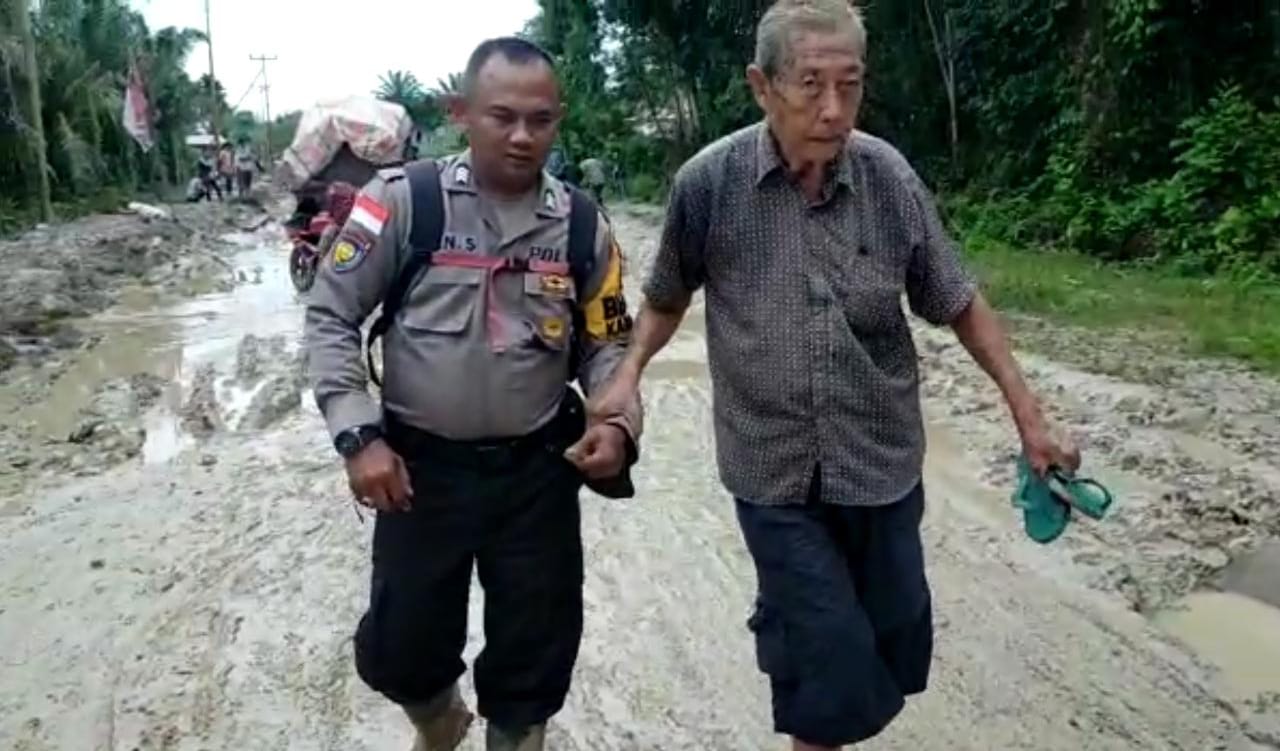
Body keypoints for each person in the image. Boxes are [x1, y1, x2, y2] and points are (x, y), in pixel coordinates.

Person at [589, 1, 1080, 749]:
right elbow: (666, 296)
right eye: (810, 84)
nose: (832, 108)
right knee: (830, 663)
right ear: (761, 86)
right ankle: (807, 672)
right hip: (772, 468)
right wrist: (628, 375)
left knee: (895, 641)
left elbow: (957, 300)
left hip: (878, 460)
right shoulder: (708, 184)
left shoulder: (888, 178)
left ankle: (812, 668)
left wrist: (1031, 420)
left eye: (849, 86)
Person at [303, 36, 642, 751]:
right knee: (403, 650)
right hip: (419, 475)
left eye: (540, 120)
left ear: (558, 120)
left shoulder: (582, 224)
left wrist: (616, 423)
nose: (522, 136)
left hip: (537, 477)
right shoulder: (404, 203)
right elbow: (332, 315)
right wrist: (359, 437)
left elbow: (608, 343)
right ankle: (439, 722)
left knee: (534, 660)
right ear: (461, 113)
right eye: (502, 116)